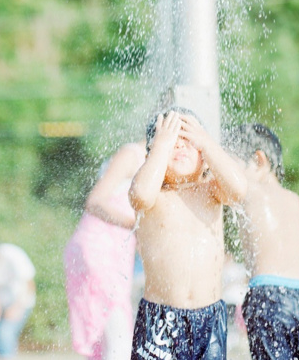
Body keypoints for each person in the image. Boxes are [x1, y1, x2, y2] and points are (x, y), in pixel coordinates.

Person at [128, 100, 247, 360]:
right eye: (172, 141)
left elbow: (239, 191)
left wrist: (206, 142)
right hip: (161, 317)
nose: (179, 145)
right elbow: (138, 196)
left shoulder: (212, 190)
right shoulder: (155, 195)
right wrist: (160, 145)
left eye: (187, 139)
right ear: (152, 153)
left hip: (209, 319)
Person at [224, 123, 299, 360]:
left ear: (259, 161)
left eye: (234, 166)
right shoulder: (294, 199)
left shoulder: (250, 190)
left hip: (269, 295)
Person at [64, 140, 147, 360]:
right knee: (119, 335)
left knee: (110, 335)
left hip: (111, 249)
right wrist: (138, 224)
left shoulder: (153, 160)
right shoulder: (132, 155)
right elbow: (95, 201)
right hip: (99, 247)